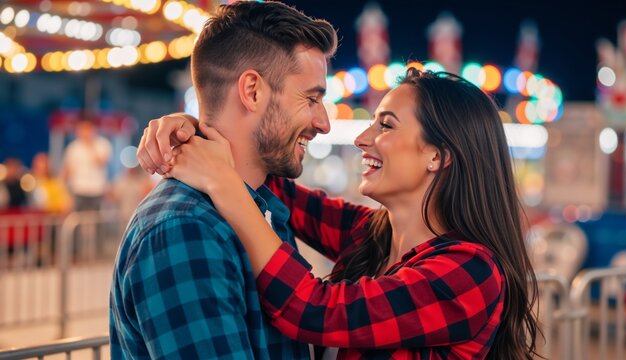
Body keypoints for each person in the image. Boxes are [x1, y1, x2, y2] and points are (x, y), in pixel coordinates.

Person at [141, 69, 540, 359]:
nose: (362, 138)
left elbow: (312, 308)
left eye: (385, 125)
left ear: (437, 155)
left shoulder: (470, 272)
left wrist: (223, 185)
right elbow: (263, 175)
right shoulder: (373, 234)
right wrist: (195, 129)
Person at [110, 1, 337, 359]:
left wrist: (193, 130)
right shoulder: (184, 228)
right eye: (311, 99)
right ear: (252, 91)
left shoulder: (261, 205)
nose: (324, 123)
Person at [61, 119, 112, 212]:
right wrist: (66, 193)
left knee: (97, 221)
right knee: (78, 220)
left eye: (87, 129)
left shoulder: (102, 144)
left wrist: (90, 145)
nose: (84, 132)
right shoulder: (73, 147)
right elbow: (67, 170)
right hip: (78, 190)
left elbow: (101, 162)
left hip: (97, 190)